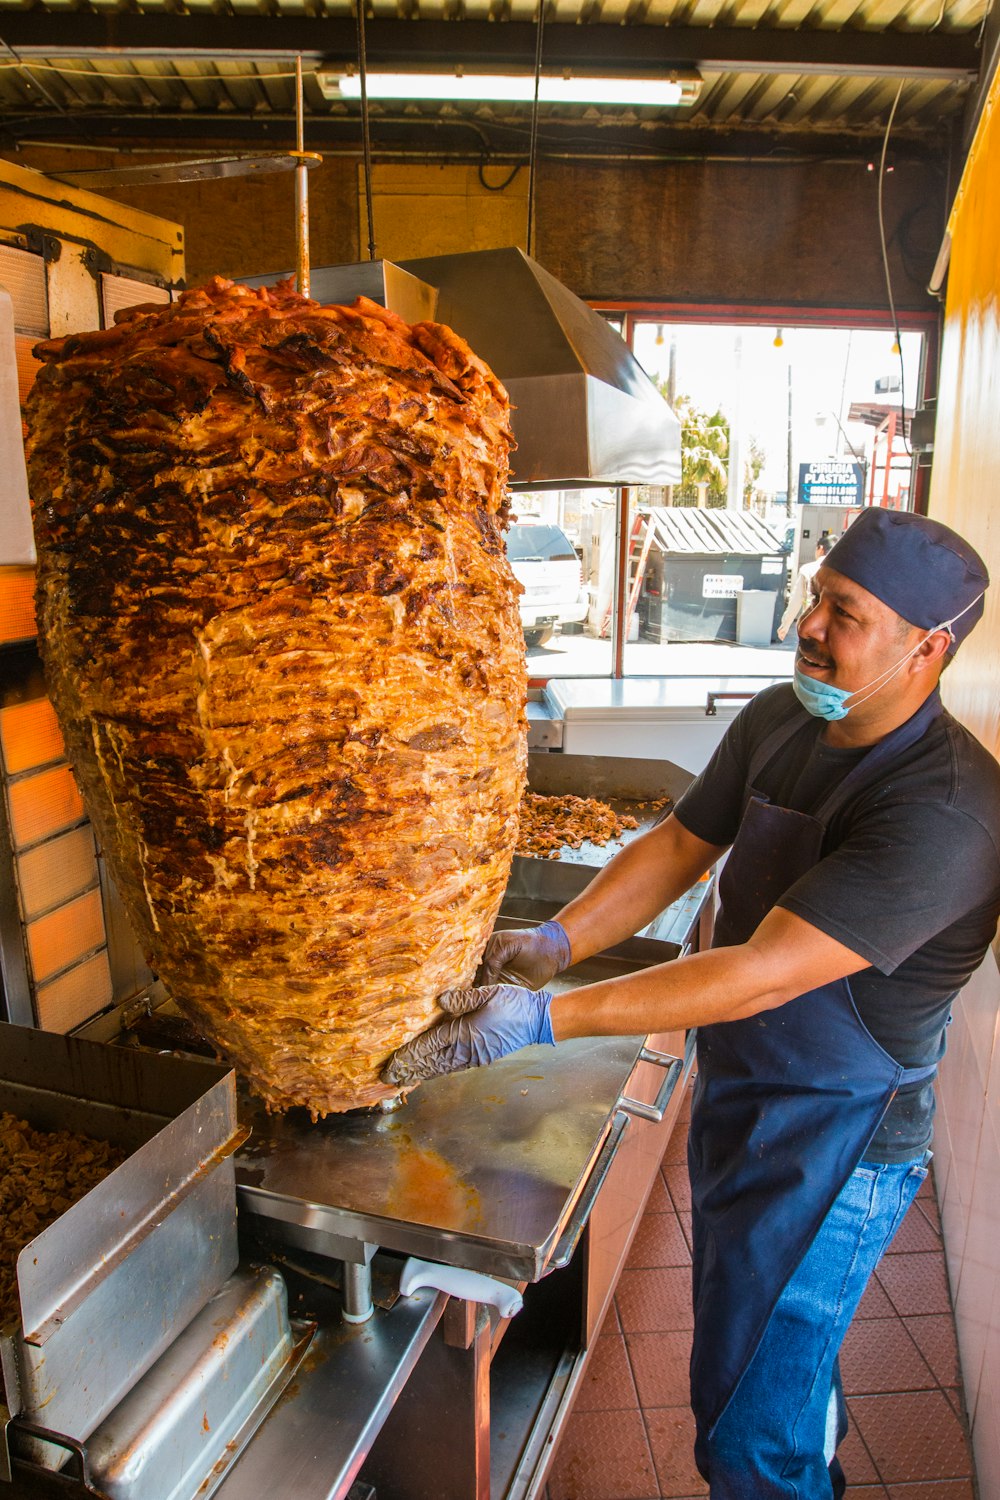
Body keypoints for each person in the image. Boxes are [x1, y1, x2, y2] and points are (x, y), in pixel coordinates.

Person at [385, 507, 1000, 1500]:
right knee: (775, 1370)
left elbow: (763, 968)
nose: (808, 624)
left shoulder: (946, 811)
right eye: (814, 596)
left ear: (926, 648)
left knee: (749, 1423)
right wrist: (554, 942)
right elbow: (678, 844)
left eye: (843, 612)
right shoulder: (786, 718)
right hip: (750, 1095)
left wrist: (542, 1021)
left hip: (840, 1146)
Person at [777, 530, 835, 641]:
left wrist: (785, 625)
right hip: (832, 629)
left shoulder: (808, 569)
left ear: (821, 548)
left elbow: (796, 600)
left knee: (804, 656)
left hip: (810, 623)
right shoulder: (842, 572)